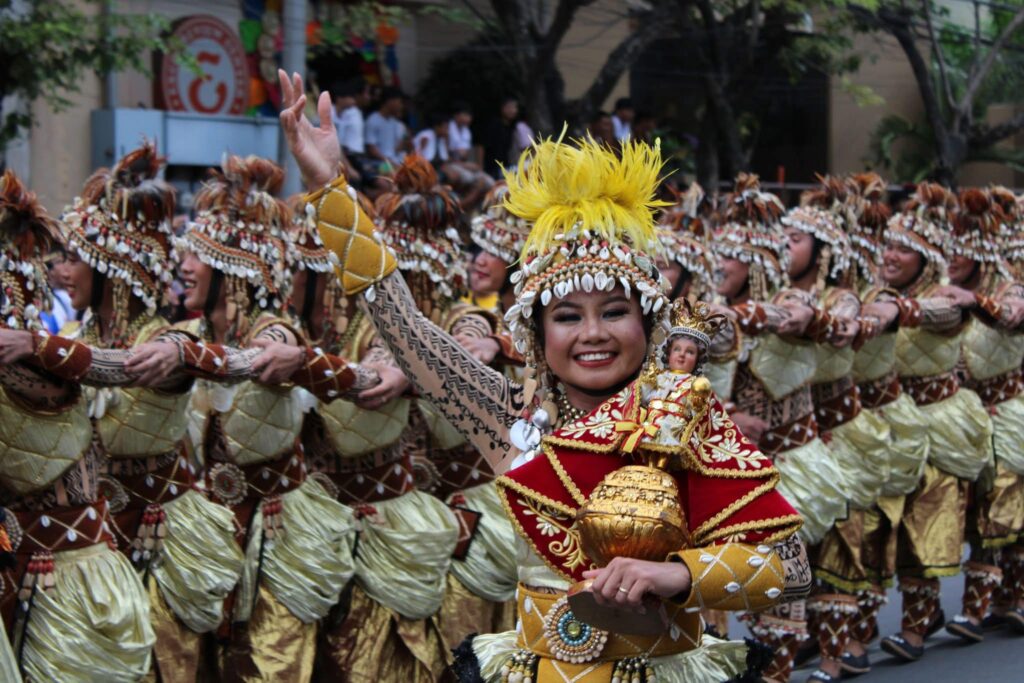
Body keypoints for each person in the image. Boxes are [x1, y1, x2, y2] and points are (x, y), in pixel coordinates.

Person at [278, 71, 813, 680]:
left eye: (615, 311)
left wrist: (676, 574)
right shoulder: (508, 418)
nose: (592, 334)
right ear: (536, 335)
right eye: (567, 316)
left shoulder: (682, 413)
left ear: (650, 323)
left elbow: (790, 569)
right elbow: (406, 330)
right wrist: (331, 190)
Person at [707, 173, 847, 683]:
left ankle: (790, 668)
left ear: (761, 263)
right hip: (732, 471)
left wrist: (732, 316)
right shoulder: (706, 319)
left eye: (734, 255)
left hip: (794, 471)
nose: (719, 265)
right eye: (716, 253)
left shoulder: (795, 306)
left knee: (784, 588)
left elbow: (796, 316)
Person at [872, 183, 993, 664]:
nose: (892, 256)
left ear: (926, 259)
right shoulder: (872, 290)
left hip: (941, 425)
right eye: (889, 246)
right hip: (891, 422)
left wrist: (896, 310)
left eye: (904, 249)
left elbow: (945, 313)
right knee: (883, 527)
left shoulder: (946, 295)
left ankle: (916, 628)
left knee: (924, 525)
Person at [941, 190, 1024, 644]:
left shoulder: (1012, 288)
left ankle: (979, 609)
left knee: (1003, 510)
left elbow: (1012, 318)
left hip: (1009, 417)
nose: (951, 259)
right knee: (977, 514)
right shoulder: (943, 290)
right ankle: (1008, 599)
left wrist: (972, 300)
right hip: (966, 416)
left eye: (960, 250)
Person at [365, 87, 409, 171]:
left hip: (394, 162)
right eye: (399, 102)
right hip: (379, 164)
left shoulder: (394, 122)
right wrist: (390, 162)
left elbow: (396, 148)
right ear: (390, 101)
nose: (401, 106)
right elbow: (371, 149)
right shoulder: (373, 120)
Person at [482, 97, 518, 179]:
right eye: (510, 107)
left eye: (515, 108)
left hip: (505, 166)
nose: (514, 111)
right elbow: (482, 146)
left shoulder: (511, 127)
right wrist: (481, 168)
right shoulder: (494, 125)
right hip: (491, 168)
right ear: (503, 108)